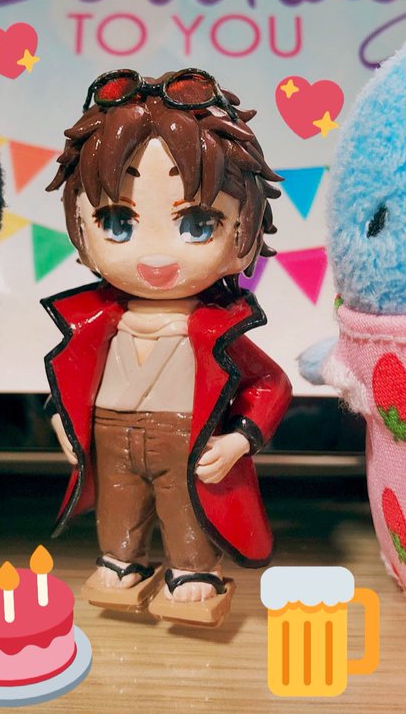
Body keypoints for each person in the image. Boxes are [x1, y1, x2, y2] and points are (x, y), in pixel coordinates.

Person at [42, 68, 292, 626]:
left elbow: (269, 383)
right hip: (111, 432)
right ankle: (122, 560)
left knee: (186, 505)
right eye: (117, 222)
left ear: (245, 230)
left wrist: (240, 438)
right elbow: (70, 375)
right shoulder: (93, 320)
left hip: (188, 436)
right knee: (118, 502)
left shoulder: (215, 327)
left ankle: (192, 569)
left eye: (198, 225)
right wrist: (61, 418)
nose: (156, 256)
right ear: (80, 227)